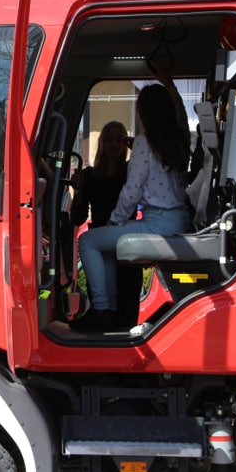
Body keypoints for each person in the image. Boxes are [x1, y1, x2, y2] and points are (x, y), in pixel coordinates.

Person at [72, 84, 190, 331]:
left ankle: (102, 309)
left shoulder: (145, 144)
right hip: (178, 221)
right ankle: (111, 310)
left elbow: (132, 190)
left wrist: (114, 221)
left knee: (88, 241)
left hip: (156, 223)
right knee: (102, 242)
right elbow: (178, 114)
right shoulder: (179, 140)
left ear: (144, 113)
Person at [69, 121, 142, 327]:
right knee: (105, 311)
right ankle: (101, 317)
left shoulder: (131, 172)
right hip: (101, 244)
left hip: (125, 242)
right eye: (109, 139)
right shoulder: (91, 175)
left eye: (120, 139)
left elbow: (149, 161)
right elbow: (78, 217)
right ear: (102, 142)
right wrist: (79, 189)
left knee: (125, 306)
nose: (114, 144)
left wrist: (136, 145)